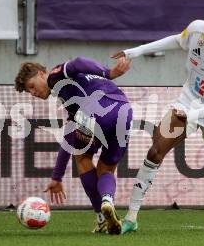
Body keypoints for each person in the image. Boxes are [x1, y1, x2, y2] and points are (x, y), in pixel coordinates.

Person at [112, 6, 204, 233]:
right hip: (188, 102)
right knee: (154, 152)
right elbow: (176, 41)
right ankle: (131, 217)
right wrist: (136, 51)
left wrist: (195, 116)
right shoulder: (198, 30)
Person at [14, 56, 133, 235]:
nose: (33, 93)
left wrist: (109, 72)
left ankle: (101, 217)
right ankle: (107, 200)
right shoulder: (72, 94)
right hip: (123, 110)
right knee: (106, 170)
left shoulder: (54, 77)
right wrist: (57, 176)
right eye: (29, 92)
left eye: (31, 86)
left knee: (83, 158)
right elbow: (69, 136)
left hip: (95, 109)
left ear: (41, 73)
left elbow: (77, 62)